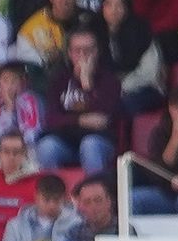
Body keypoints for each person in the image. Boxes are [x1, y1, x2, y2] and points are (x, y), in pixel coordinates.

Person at [37, 27, 122, 174]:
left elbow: (104, 119)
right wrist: (80, 120)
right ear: (70, 53)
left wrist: (87, 83)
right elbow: (51, 118)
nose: (82, 55)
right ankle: (53, 195)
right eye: (77, 51)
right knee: (46, 146)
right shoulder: (59, 79)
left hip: (99, 142)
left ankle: (94, 193)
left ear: (96, 52)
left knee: (89, 145)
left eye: (88, 50)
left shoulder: (109, 80)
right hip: (66, 142)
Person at [131, 84, 178, 235]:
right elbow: (155, 171)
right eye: (175, 108)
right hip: (166, 193)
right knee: (133, 199)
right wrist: (175, 141)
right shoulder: (160, 132)